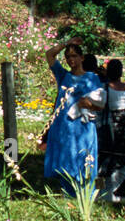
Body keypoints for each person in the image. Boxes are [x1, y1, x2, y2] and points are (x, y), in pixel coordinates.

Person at [41, 39, 104, 195]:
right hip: (64, 129)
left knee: (85, 163)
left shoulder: (92, 78)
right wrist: (66, 42)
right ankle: (69, 198)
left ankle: (87, 199)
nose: (71, 60)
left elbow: (101, 105)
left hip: (83, 129)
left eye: (74, 56)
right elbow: (49, 55)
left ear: (82, 58)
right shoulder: (63, 76)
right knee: (66, 165)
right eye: (68, 57)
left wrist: (87, 104)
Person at [98, 59, 125, 202]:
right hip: (124, 129)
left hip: (107, 129)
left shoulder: (102, 89)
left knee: (102, 163)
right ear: (120, 72)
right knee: (124, 160)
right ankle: (122, 192)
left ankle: (99, 192)